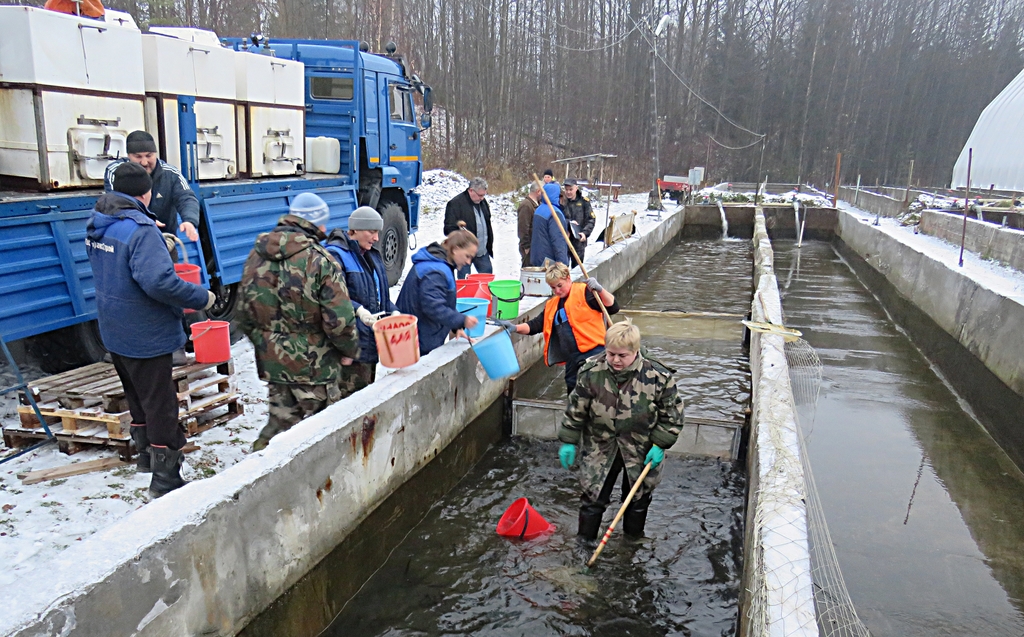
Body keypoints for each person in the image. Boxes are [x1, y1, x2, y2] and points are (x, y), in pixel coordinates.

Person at [86, 162, 215, 497]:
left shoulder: (100, 221)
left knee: (138, 397)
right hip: (147, 334)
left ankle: (145, 457)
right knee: (161, 405)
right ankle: (165, 480)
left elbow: (123, 265)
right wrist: (202, 295)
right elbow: (159, 281)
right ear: (145, 193)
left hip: (115, 329)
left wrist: (155, 239)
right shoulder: (140, 230)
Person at [237, 192, 359, 452]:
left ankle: (257, 470)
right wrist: (349, 352)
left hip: (274, 362)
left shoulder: (255, 256)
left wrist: (265, 343)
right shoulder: (321, 260)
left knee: (279, 424)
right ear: (315, 224)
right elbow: (339, 320)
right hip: (315, 366)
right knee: (321, 432)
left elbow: (243, 312)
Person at [557, 319, 684, 540]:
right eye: (610, 354)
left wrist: (660, 443)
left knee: (637, 498)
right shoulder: (591, 371)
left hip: (641, 447)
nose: (615, 360)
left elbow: (672, 415)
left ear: (635, 351)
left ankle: (632, 543)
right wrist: (569, 439)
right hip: (600, 445)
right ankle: (584, 545)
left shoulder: (657, 377)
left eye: (622, 355)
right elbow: (577, 407)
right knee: (592, 497)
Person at [324, 206, 399, 394]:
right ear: (355, 230)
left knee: (367, 395)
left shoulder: (372, 255)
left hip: (370, 342)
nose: (376, 238)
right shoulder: (336, 257)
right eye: (371, 232)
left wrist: (392, 310)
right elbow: (331, 298)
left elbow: (376, 293)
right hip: (350, 347)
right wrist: (358, 310)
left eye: (378, 233)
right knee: (350, 403)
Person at [513, 261, 618, 394]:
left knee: (594, 388)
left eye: (559, 285)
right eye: (553, 288)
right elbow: (535, 325)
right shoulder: (552, 305)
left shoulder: (585, 292)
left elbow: (613, 307)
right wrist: (514, 328)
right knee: (572, 388)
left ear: (568, 278)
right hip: (572, 357)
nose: (557, 291)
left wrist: (600, 290)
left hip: (594, 352)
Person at [105, 131, 201, 244]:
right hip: (128, 242)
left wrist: (190, 221)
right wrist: (144, 221)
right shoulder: (116, 172)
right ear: (128, 156)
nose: (144, 162)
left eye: (149, 156)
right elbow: (115, 203)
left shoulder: (171, 173)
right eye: (138, 157)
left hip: (163, 241)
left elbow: (187, 197)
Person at [396, 229, 481, 355]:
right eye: (467, 256)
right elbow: (433, 307)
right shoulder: (435, 271)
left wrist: (455, 327)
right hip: (418, 342)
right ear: (455, 249)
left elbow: (441, 300)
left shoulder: (439, 264)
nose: (468, 262)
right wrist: (462, 320)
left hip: (420, 337)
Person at [443, 177, 493, 278]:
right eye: (480, 195)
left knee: (487, 280)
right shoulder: (455, 204)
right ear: (471, 190)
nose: (482, 198)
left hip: (482, 252)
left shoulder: (482, 202)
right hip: (464, 252)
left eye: (484, 195)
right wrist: (460, 233)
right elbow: (448, 229)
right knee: (464, 281)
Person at [530, 182, 569, 267]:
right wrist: (563, 264)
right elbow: (558, 239)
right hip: (549, 262)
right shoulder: (554, 213)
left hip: (537, 258)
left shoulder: (539, 209)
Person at [561, 179, 596, 267]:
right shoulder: (562, 201)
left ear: (576, 188)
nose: (568, 192)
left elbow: (591, 219)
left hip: (578, 242)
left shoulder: (584, 202)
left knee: (577, 269)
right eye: (566, 190)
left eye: (570, 189)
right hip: (564, 241)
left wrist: (585, 233)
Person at [517, 182, 542, 267]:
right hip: (529, 247)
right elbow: (523, 228)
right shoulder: (526, 206)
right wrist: (526, 247)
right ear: (538, 191)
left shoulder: (537, 204)